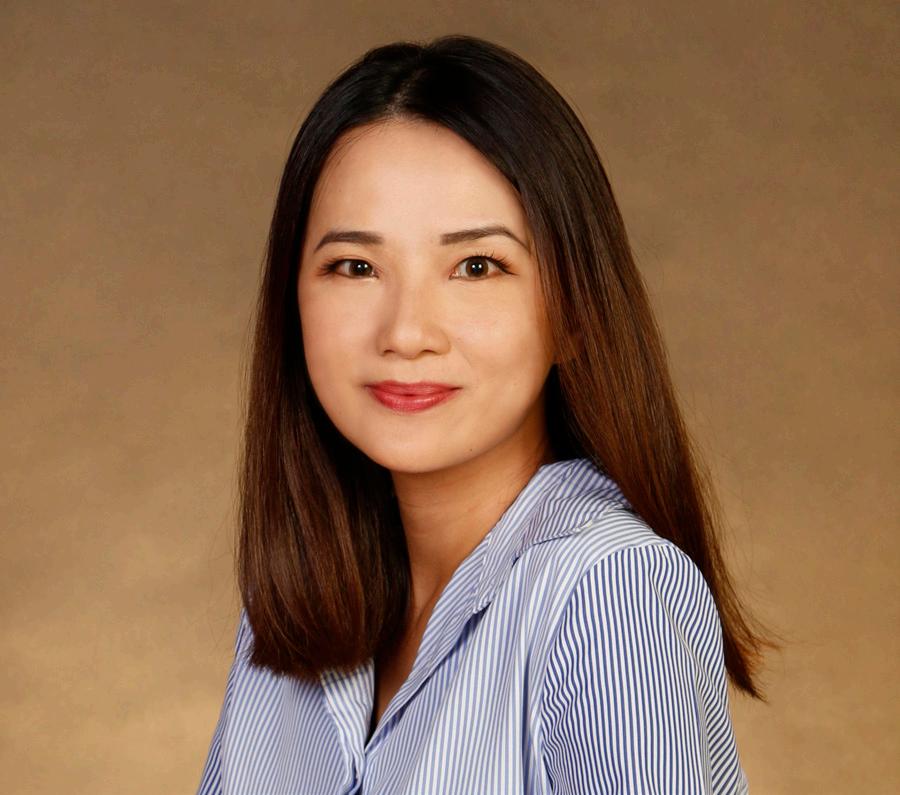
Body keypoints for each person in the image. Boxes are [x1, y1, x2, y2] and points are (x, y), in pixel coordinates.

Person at [196, 34, 776, 794]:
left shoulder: (610, 594)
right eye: (355, 266)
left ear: (574, 311)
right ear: (291, 300)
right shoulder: (295, 603)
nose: (407, 332)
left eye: (476, 266)